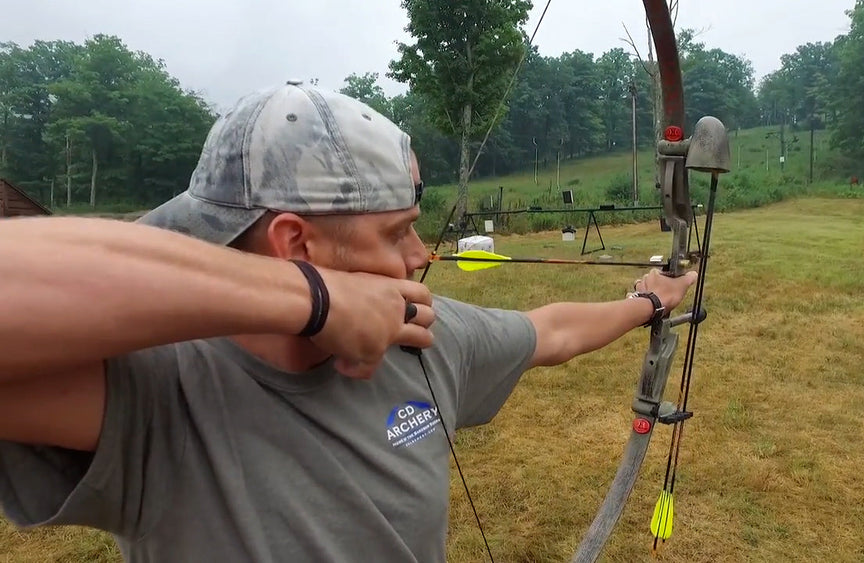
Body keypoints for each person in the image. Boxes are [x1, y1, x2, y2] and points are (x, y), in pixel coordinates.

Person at [0, 81, 697, 562]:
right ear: (295, 244)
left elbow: (550, 332)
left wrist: (648, 301)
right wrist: (313, 300)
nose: (420, 256)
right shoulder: (157, 382)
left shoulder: (418, 335)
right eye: (395, 233)